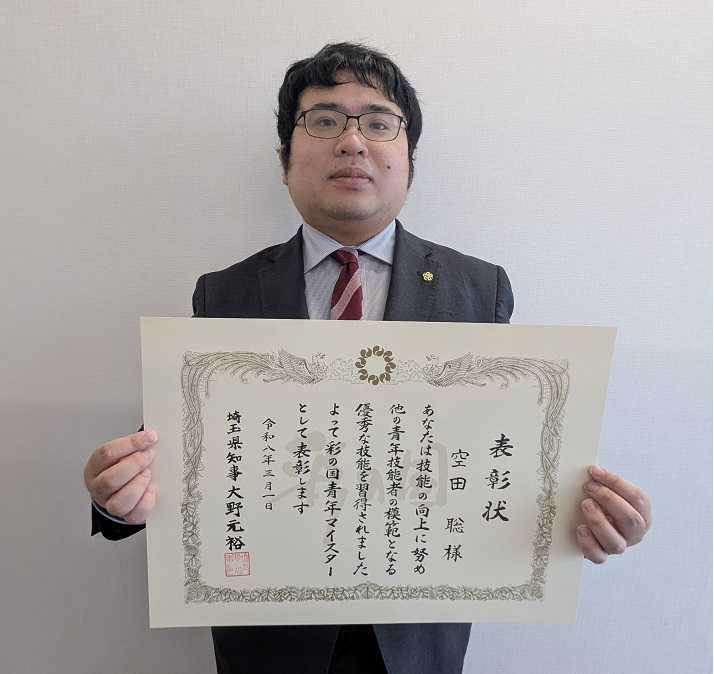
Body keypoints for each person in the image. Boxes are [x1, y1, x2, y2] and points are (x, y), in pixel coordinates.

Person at [83, 42, 652, 674]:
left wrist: (586, 515)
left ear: (409, 159)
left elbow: (502, 458)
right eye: (324, 121)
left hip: (417, 641)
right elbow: (187, 462)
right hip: (270, 640)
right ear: (284, 159)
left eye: (379, 123)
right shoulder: (227, 293)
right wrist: (117, 498)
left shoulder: (477, 288)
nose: (352, 142)